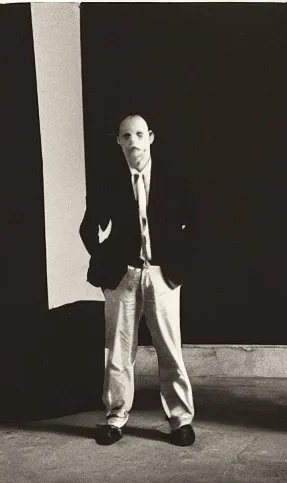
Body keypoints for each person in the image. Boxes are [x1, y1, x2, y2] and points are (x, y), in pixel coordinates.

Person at [80, 114, 195, 446]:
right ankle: (115, 418)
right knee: (118, 351)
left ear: (151, 138)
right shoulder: (108, 182)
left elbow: (195, 226)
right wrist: (105, 264)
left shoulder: (173, 179)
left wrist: (177, 269)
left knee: (170, 350)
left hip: (162, 276)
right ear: (119, 141)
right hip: (123, 276)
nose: (133, 141)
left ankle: (180, 420)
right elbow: (88, 228)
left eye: (139, 134)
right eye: (126, 136)